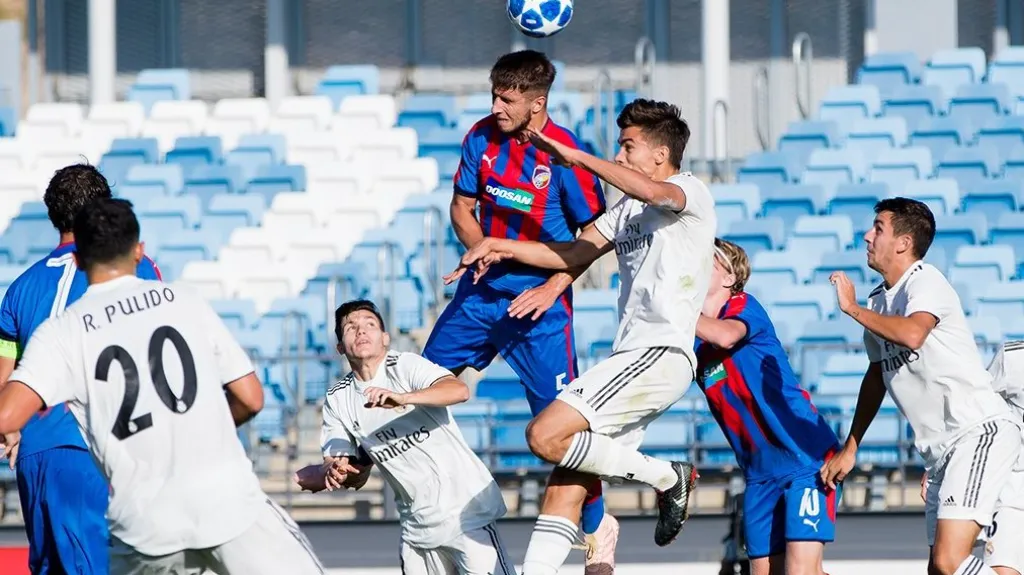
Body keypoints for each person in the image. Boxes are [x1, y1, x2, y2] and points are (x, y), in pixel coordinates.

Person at [447, 98, 716, 575]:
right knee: (567, 482)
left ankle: (667, 476)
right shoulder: (628, 211)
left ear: (659, 154)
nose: (618, 155)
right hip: (635, 358)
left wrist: (576, 158)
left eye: (627, 146)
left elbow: (657, 193)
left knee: (544, 434)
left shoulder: (687, 191)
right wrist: (499, 244)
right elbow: (572, 252)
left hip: (657, 353)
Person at [0, 198, 324, 575]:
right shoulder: (185, 300)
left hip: (144, 523)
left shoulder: (63, 331)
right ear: (139, 251)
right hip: (228, 503)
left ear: (77, 259)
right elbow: (251, 399)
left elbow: (7, 415)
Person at [420, 49, 615, 572]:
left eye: (507, 99)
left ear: (538, 102)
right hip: (481, 296)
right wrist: (479, 244)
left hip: (541, 310)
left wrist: (554, 287)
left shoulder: (565, 156)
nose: (496, 106)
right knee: (418, 385)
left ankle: (597, 527)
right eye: (494, 95)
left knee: (559, 433)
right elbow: (462, 206)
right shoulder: (481, 137)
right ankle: (361, 463)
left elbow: (597, 239)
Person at [820, 197, 1023, 575]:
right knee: (940, 569)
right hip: (942, 452)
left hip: (978, 434)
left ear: (903, 242)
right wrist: (851, 447)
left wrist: (850, 309)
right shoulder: (878, 302)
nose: (867, 236)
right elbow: (876, 374)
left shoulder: (925, 280)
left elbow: (913, 334)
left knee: (950, 561)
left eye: (878, 228)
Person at [0, 164, 161, 574]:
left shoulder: (19, 288)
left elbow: (4, 379)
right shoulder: (132, 267)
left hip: (36, 453)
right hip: (95, 447)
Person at [295, 299, 516, 575]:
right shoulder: (338, 398)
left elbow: (458, 390)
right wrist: (335, 471)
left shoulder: (405, 366)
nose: (361, 331)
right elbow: (347, 467)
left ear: (385, 338)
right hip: (416, 533)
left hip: (467, 516)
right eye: (350, 328)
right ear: (340, 347)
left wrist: (404, 398)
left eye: (370, 325)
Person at [695, 238, 841, 575]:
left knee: (800, 571)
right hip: (760, 475)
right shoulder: (693, 342)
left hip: (807, 459)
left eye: (707, 260)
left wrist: (674, 309)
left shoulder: (744, 306)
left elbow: (726, 336)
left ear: (730, 277)